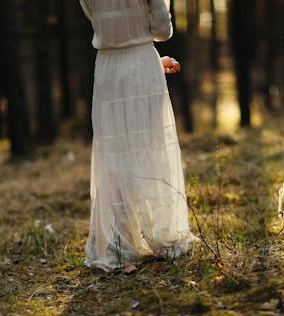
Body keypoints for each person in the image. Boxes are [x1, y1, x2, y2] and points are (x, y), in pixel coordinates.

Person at [80, 0, 197, 271]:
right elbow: (163, 30)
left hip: (108, 68)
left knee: (115, 155)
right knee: (149, 149)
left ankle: (121, 241)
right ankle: (157, 230)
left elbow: (105, 25)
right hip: (141, 66)